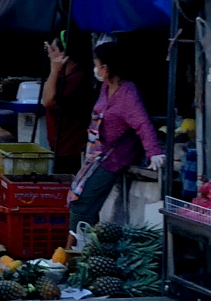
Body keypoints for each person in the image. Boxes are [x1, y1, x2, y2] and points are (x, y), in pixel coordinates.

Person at [66, 40, 165, 247]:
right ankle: (80, 252)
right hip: (97, 153)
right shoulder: (106, 87)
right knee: (78, 198)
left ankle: (75, 254)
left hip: (113, 157)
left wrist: (154, 152)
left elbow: (142, 123)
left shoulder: (127, 93)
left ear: (106, 67)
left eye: (97, 64)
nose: (95, 68)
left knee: (83, 204)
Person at [42, 35, 93, 175]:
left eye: (53, 49)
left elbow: (48, 102)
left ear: (64, 54)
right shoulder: (63, 75)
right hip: (60, 146)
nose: (49, 53)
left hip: (71, 149)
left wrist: (53, 70)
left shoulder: (76, 79)